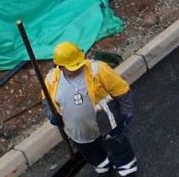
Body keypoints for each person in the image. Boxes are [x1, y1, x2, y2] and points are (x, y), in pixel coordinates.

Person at [43, 42, 138, 176]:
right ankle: (105, 168)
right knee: (94, 156)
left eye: (79, 63)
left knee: (119, 150)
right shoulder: (51, 79)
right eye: (72, 67)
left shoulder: (97, 69)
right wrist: (51, 114)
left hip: (107, 125)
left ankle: (127, 171)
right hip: (78, 132)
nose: (78, 68)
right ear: (60, 66)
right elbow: (46, 101)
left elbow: (122, 90)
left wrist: (126, 112)